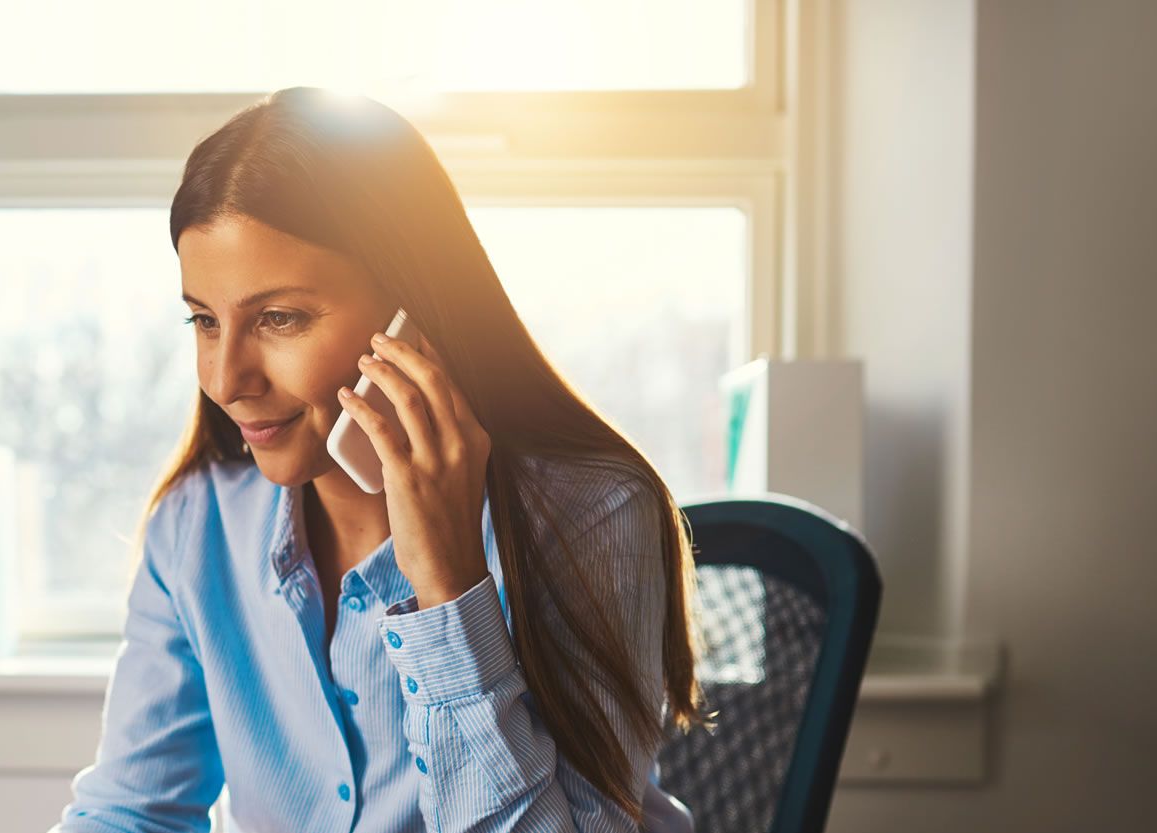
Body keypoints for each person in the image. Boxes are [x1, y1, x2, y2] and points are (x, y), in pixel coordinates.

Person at [51, 87, 707, 833]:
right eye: (204, 319)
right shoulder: (199, 521)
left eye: (279, 318)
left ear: (412, 312)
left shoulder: (591, 514)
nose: (226, 378)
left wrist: (450, 593)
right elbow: (132, 811)